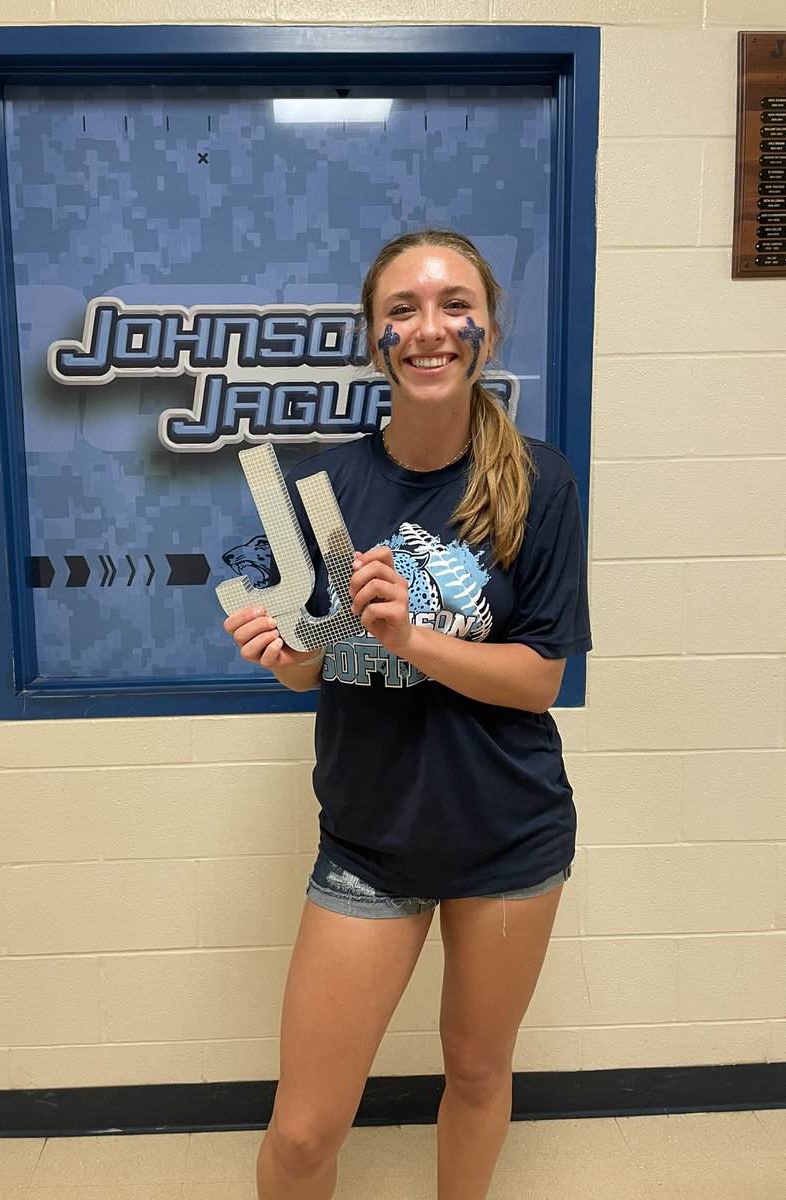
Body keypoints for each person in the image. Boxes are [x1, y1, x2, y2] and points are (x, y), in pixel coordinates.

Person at [223, 229, 591, 1200]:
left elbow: (539, 679)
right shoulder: (317, 487)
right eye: (402, 310)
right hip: (368, 843)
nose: (430, 328)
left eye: (452, 303)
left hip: (508, 836)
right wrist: (287, 658)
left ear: (488, 328)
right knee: (303, 1133)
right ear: (373, 338)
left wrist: (414, 640)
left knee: (475, 1072)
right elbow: (310, 674)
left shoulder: (539, 483)